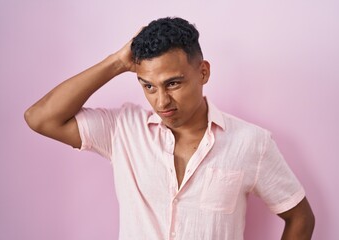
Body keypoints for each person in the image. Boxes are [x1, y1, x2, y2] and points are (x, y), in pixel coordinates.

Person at [24, 17, 315, 240]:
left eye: (173, 83)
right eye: (148, 86)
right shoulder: (122, 129)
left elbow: (300, 217)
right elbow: (40, 118)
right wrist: (116, 62)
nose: (161, 101)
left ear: (203, 72)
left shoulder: (252, 142)